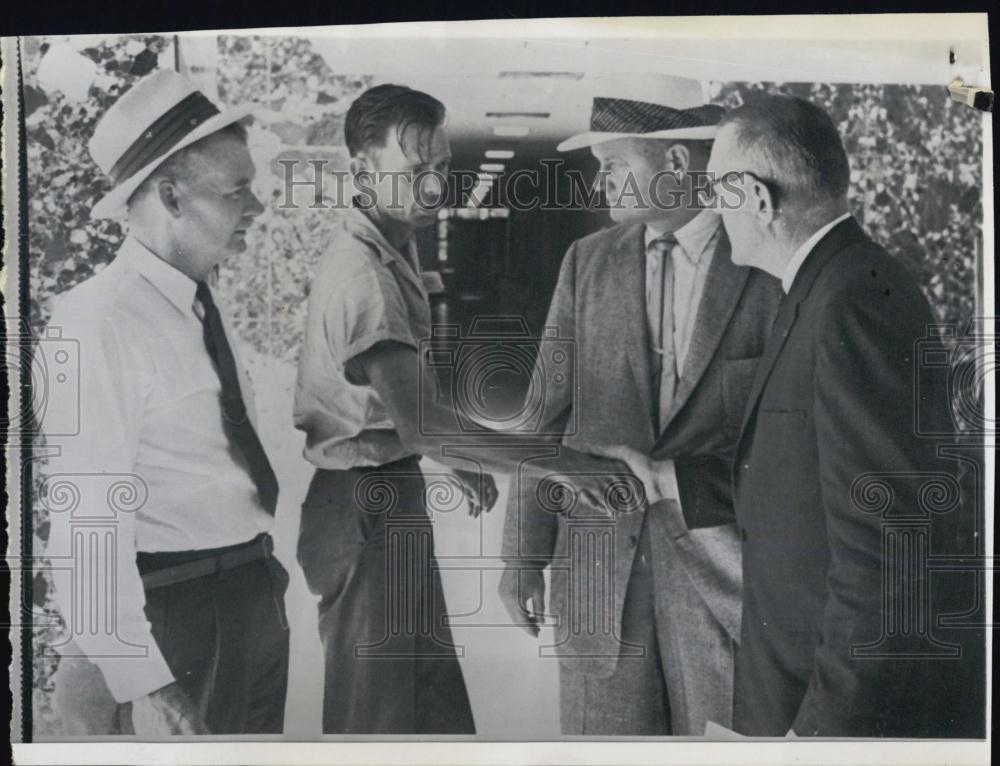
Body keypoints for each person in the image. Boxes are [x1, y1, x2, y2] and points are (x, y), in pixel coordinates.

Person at [498, 77, 783, 735]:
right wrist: (521, 556)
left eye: (614, 165)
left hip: (727, 588)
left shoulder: (768, 268)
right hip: (598, 579)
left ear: (676, 163)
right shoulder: (586, 263)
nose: (601, 186)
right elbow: (544, 420)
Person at [702, 93, 982, 736]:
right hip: (797, 691)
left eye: (719, 188)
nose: (713, 207)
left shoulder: (850, 302)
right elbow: (804, 478)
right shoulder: (829, 286)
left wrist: (822, 731)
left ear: (758, 198)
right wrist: (672, 481)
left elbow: (889, 546)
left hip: (823, 711)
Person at [43, 69, 289, 735]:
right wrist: (145, 679)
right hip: (177, 617)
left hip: (248, 594)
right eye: (238, 191)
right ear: (171, 195)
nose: (257, 209)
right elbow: (86, 518)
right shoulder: (98, 321)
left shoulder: (196, 302)